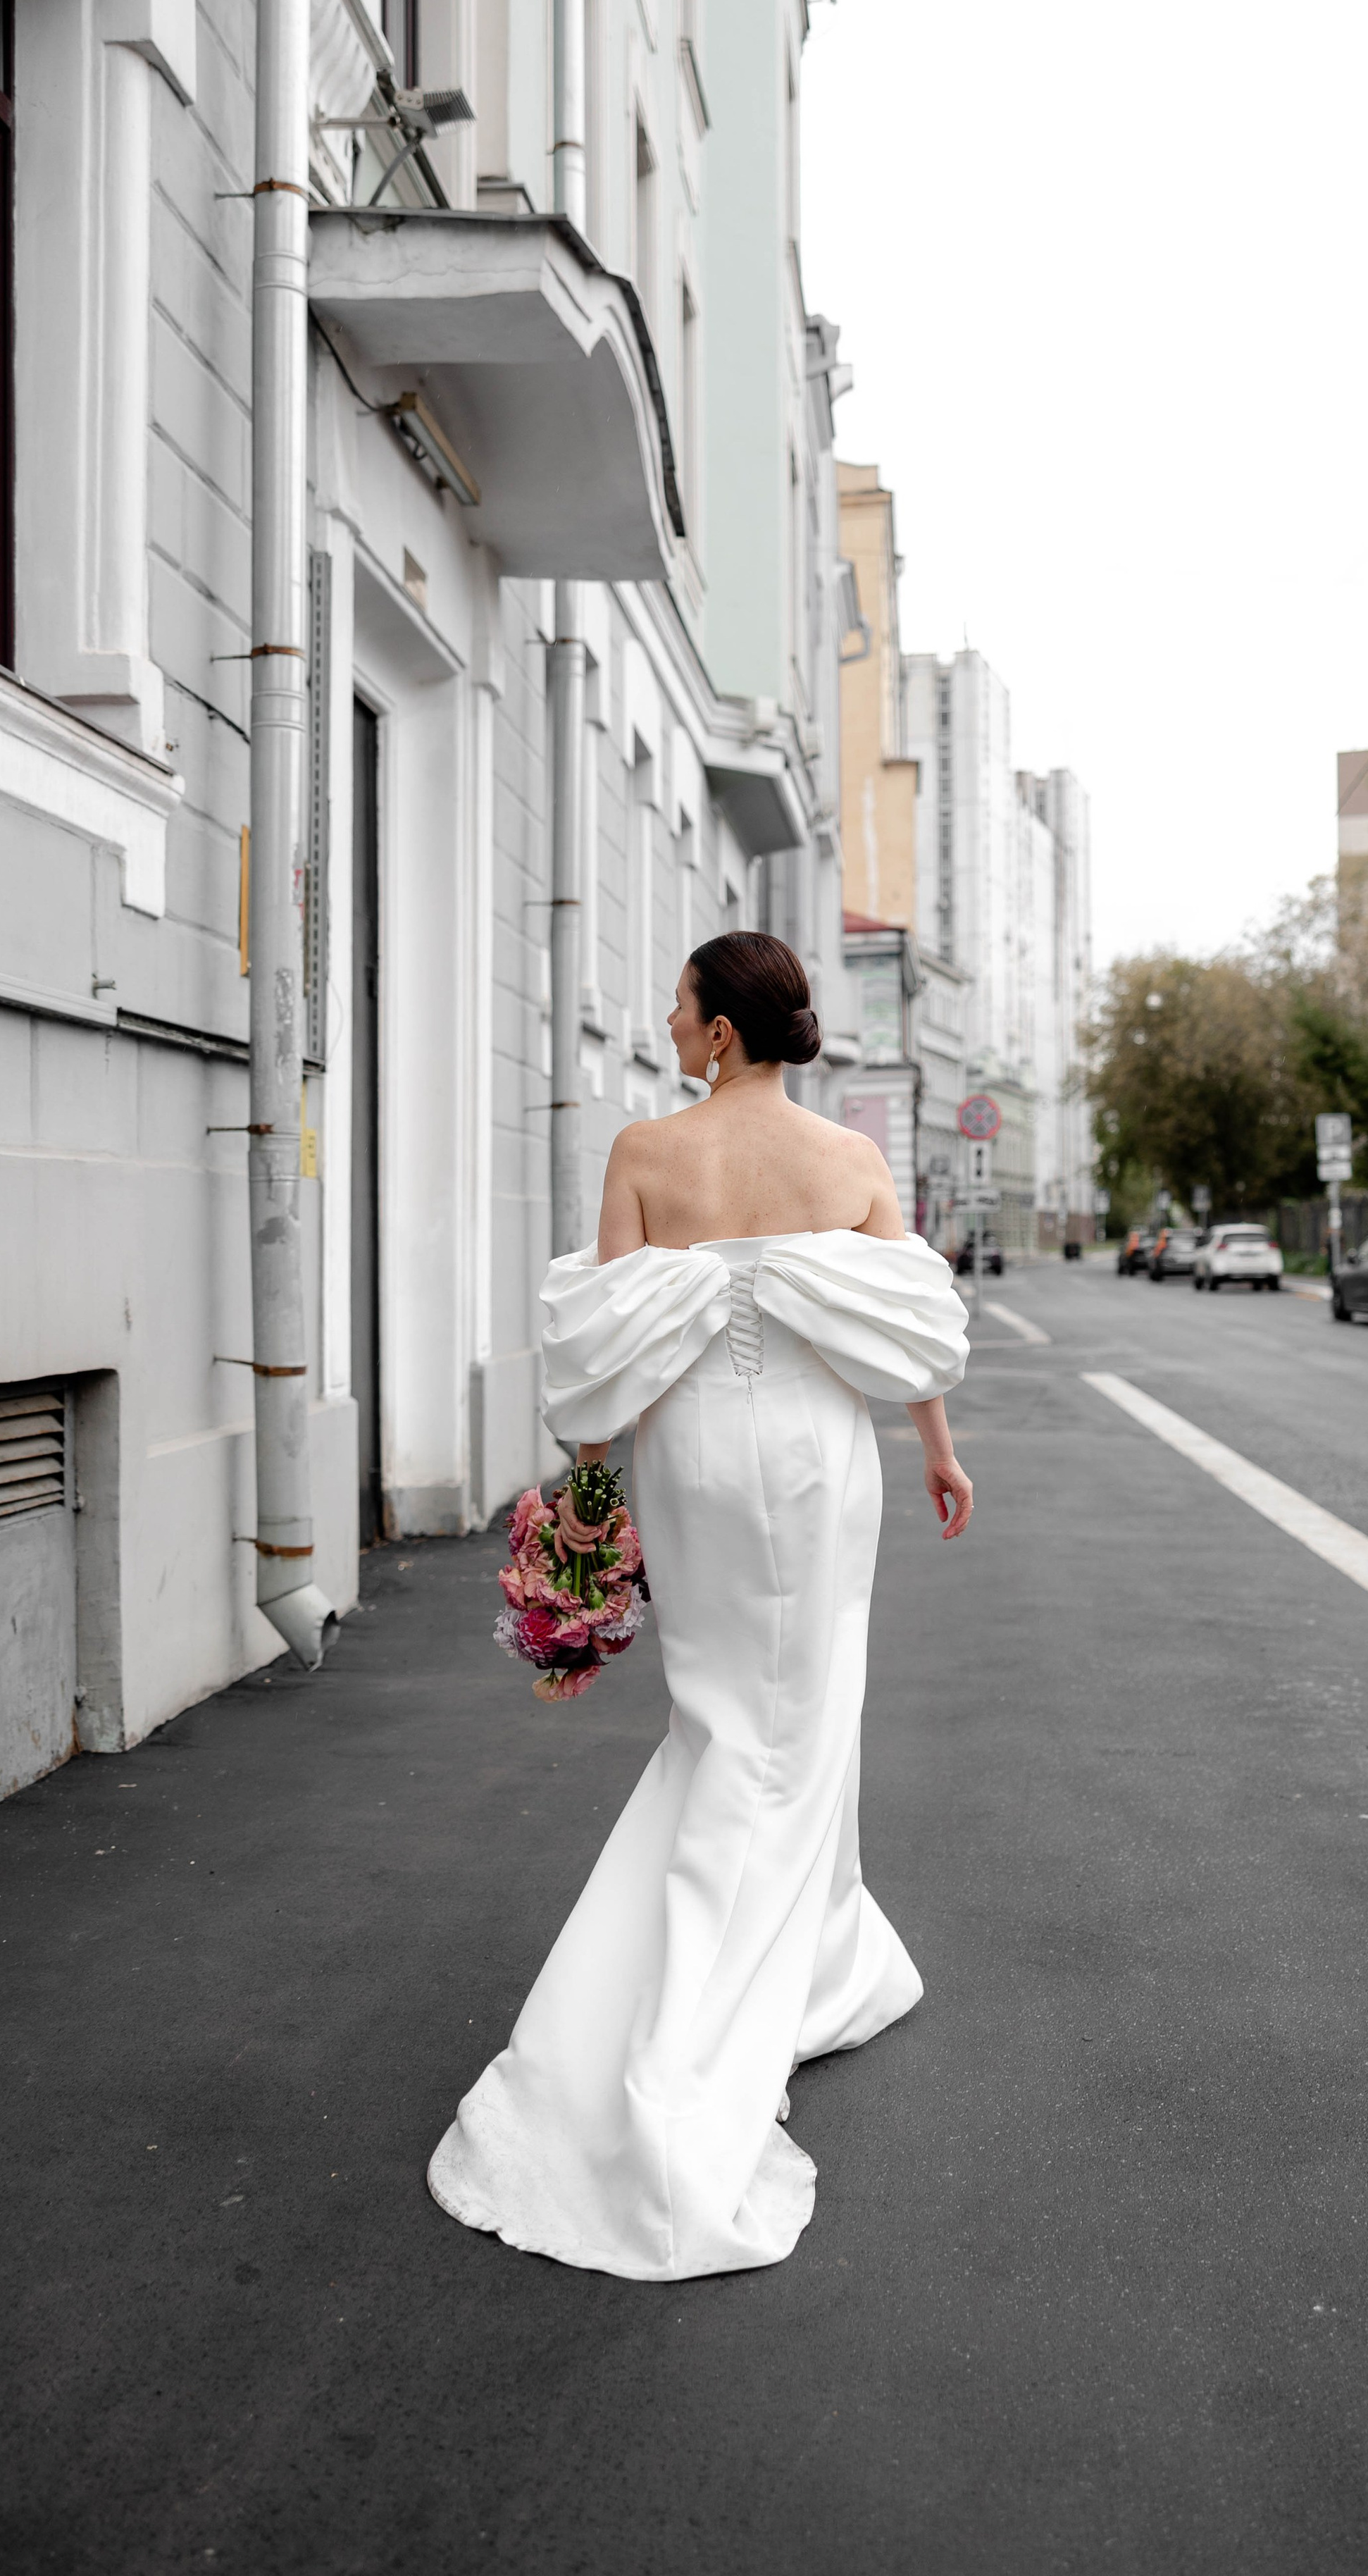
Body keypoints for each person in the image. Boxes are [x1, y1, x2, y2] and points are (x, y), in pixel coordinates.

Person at [428, 931, 972, 2280]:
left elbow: (601, 1361)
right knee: (803, 1716)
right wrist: (940, 1450)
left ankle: (814, 1957)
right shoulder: (847, 1163)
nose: (668, 1023)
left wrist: (592, 1505)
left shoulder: (644, 1155)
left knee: (727, 1719)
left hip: (693, 1469)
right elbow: (914, 1330)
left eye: (679, 1006)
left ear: (722, 1030)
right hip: (817, 1463)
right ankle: (717, 2023)